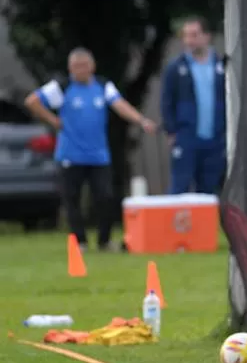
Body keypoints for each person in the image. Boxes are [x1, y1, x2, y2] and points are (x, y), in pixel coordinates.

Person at [24, 47, 157, 252]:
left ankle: (104, 241)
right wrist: (53, 120)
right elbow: (32, 101)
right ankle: (80, 242)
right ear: (70, 68)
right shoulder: (63, 87)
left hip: (98, 155)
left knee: (106, 197)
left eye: (84, 65)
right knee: (72, 200)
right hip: (70, 155)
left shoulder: (102, 86)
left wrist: (141, 120)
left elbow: (119, 104)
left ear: (92, 66)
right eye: (76, 66)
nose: (80, 70)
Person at [161, 17, 228, 195]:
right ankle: (172, 223)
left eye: (194, 35)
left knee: (209, 191)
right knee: (179, 186)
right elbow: (167, 100)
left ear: (207, 36)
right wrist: (171, 131)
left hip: (215, 139)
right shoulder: (176, 68)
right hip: (187, 137)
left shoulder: (221, 65)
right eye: (186, 36)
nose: (189, 41)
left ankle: (205, 224)